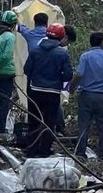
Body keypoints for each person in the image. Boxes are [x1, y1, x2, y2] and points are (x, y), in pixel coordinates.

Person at [24, 23, 73, 158]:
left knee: (34, 120)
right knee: (49, 121)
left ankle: (31, 149)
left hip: (35, 90)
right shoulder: (63, 54)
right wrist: (58, 78)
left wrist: (37, 77)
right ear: (62, 37)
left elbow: (26, 70)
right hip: (52, 92)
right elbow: (68, 75)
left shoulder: (35, 51)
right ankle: (45, 149)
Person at [69, 32, 103, 159]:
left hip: (86, 94)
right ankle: (102, 154)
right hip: (102, 96)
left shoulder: (85, 56)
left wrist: (72, 87)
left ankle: (81, 153)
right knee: (102, 126)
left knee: (84, 124)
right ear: (102, 42)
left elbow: (79, 74)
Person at [56, 25, 77, 136]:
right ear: (65, 37)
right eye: (68, 42)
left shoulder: (40, 46)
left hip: (35, 86)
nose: (66, 45)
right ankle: (59, 130)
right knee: (55, 107)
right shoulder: (62, 53)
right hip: (53, 87)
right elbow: (68, 74)